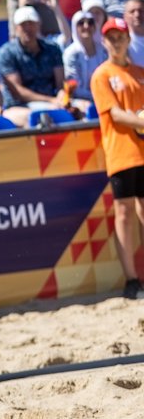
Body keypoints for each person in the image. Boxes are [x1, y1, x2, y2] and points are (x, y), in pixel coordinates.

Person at [90, 17, 144, 299]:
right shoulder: (101, 75)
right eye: (111, 37)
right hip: (121, 152)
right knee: (124, 214)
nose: (116, 41)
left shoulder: (139, 72)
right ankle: (131, 280)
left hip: (142, 151)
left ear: (128, 39)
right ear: (104, 41)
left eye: (120, 36)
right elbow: (115, 115)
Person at [0, 6, 66, 126]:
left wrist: (62, 95)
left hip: (53, 103)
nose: (28, 28)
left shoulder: (52, 49)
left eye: (31, 24)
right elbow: (18, 91)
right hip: (19, 107)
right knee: (39, 118)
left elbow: (60, 83)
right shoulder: (6, 53)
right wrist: (51, 100)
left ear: (38, 25)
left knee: (82, 108)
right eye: (23, 25)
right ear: (16, 28)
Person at [63, 11, 107, 103]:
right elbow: (74, 86)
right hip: (80, 100)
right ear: (75, 27)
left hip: (104, 97)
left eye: (90, 22)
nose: (86, 26)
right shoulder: (71, 53)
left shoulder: (104, 50)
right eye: (81, 23)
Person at [125, 0, 144, 67]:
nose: (137, 15)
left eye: (141, 11)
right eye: (132, 11)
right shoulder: (122, 42)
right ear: (125, 16)